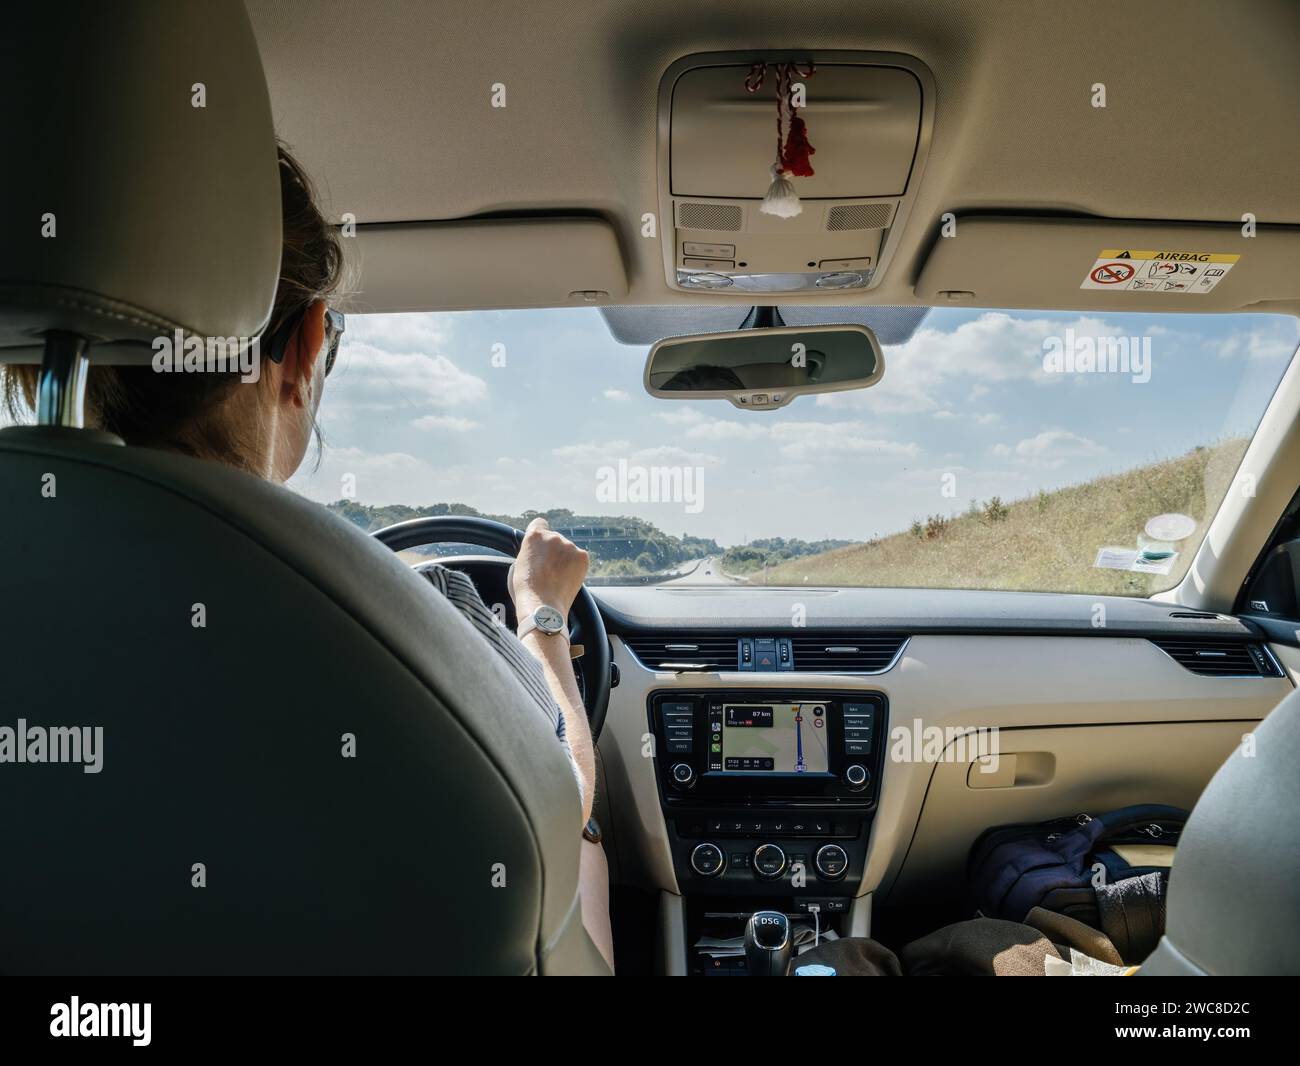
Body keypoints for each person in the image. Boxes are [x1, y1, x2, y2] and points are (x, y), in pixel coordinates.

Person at [0, 143, 613, 969]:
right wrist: (542, 619)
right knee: (589, 857)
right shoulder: (420, 624)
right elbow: (560, 804)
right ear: (306, 346)